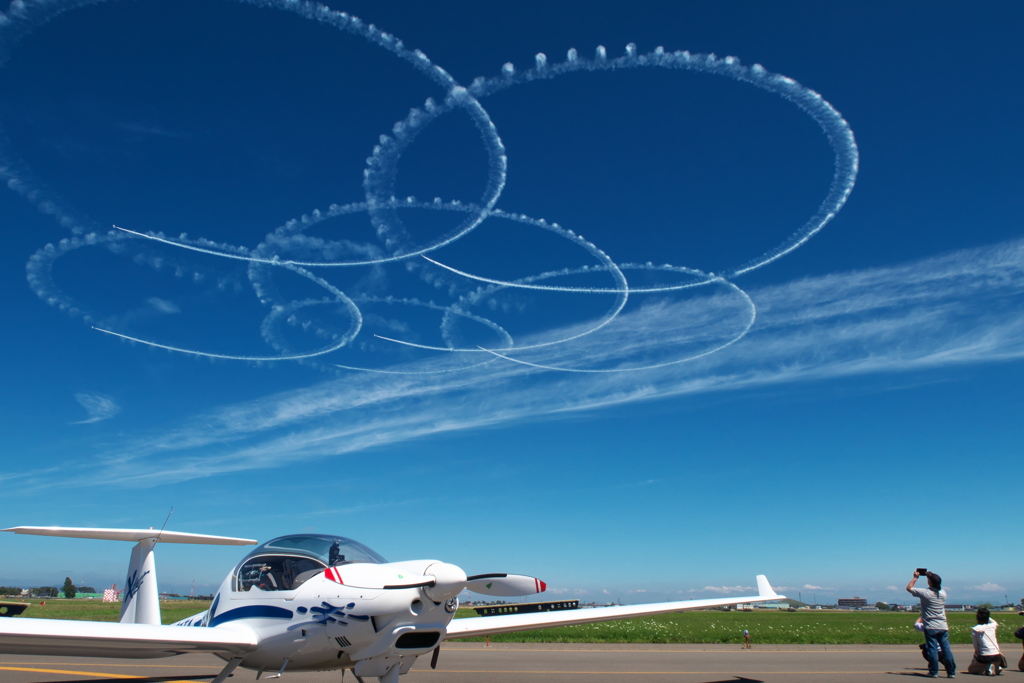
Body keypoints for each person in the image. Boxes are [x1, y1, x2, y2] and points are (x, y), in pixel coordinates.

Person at [907, 570, 956, 678]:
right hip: (943, 625)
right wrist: (930, 575)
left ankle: (934, 671)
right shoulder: (943, 593)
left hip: (931, 626)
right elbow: (935, 583)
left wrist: (915, 577)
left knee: (932, 649)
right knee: (946, 649)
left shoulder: (926, 593)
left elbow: (909, 588)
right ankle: (951, 672)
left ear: (930, 582)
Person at [967, 608, 1005, 676]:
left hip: (985, 656)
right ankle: (997, 667)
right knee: (992, 662)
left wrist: (977, 651)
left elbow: (976, 646)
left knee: (971, 669)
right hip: (997, 655)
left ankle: (988, 668)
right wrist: (986, 616)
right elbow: (994, 621)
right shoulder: (992, 626)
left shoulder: (975, 629)